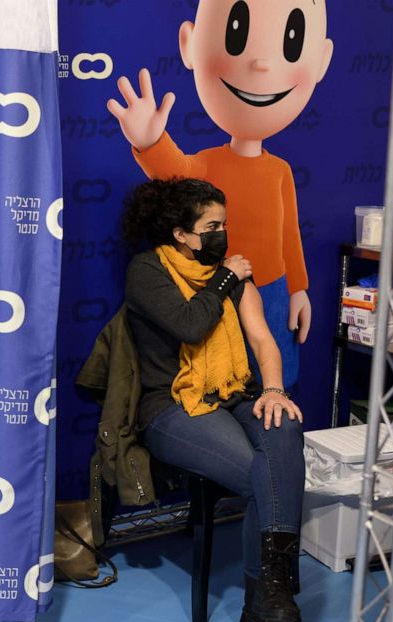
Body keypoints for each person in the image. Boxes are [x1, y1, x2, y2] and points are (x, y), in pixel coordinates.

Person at [122, 178, 330, 622]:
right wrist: (224, 279)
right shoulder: (147, 270)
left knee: (284, 428)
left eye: (225, 223)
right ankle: (272, 612)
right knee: (266, 475)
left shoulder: (237, 278)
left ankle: (267, 607)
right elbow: (190, 324)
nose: (222, 234)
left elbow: (261, 341)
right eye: (212, 226)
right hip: (172, 405)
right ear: (181, 234)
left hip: (235, 392)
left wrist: (275, 390)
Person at [109, 0, 335, 391]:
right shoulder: (206, 164)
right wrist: (150, 141)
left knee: (275, 370)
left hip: (274, 288)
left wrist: (298, 288)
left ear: (322, 61)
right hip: (219, 286)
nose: (263, 65)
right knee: (225, 375)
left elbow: (289, 234)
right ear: (190, 44)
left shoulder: (280, 170)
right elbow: (172, 172)